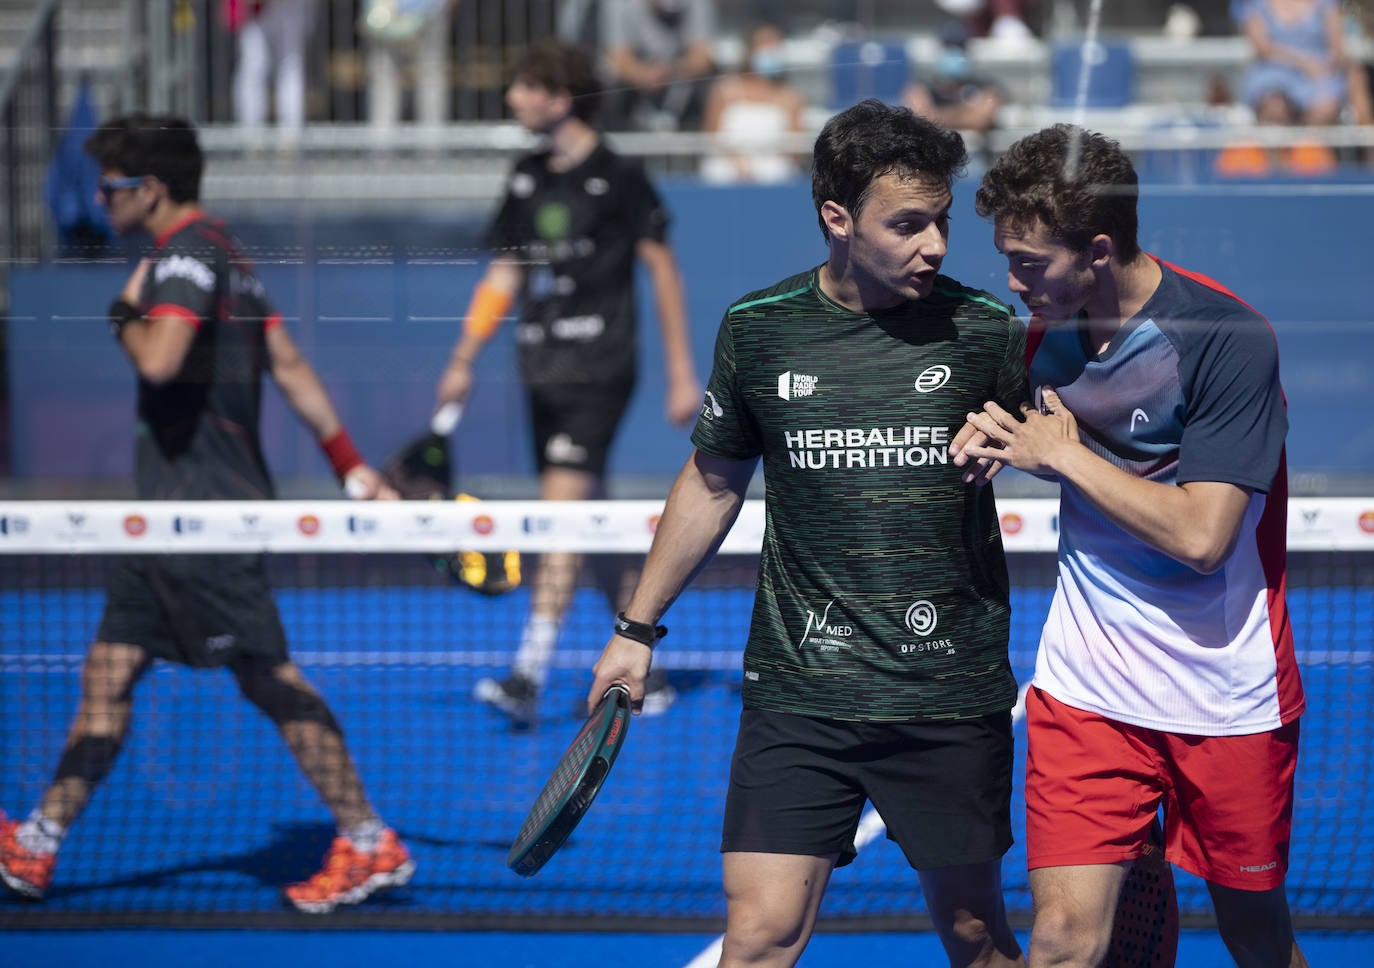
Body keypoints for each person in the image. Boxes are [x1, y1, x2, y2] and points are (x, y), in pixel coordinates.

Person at [588, 99, 1028, 968]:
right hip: (799, 695)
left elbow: (1077, 436)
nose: (934, 245)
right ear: (837, 216)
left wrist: (1025, 441)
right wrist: (635, 632)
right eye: (907, 224)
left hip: (946, 694)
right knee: (758, 938)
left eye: (940, 221)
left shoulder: (988, 332)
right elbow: (713, 482)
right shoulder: (758, 329)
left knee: (976, 934)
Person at [0, 115, 414, 914]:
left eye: (110, 185)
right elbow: (288, 367)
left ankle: (368, 841)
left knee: (267, 676)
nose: (98, 198)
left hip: (203, 515)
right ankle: (38, 843)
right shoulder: (227, 253)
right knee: (108, 674)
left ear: (148, 190)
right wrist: (351, 469)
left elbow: (160, 359)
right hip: (166, 517)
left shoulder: (185, 258)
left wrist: (123, 317)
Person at [956, 123, 1309, 968]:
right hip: (1088, 688)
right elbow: (1032, 442)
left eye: (1031, 262)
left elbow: (1202, 535)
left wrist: (1067, 457)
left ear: (1101, 250)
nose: (1013, 282)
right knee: (1064, 944)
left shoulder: (1225, 340)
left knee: (1255, 937)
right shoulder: (1042, 335)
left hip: (1226, 692)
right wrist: (985, 442)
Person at [435, 40, 701, 727]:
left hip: (599, 368)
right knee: (591, 519)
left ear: (559, 97)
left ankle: (529, 672)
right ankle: (652, 669)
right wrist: (465, 356)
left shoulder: (619, 175)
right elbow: (504, 274)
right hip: (540, 367)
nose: (513, 101)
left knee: (559, 512)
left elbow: (663, 272)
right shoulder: (526, 175)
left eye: (525, 88)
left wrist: (679, 372)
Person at [699, 22, 808, 184]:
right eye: (764, 44)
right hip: (726, 167)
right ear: (750, 50)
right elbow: (710, 134)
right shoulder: (725, 90)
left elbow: (796, 148)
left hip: (774, 172)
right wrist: (737, 163)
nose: (770, 50)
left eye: (774, 44)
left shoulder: (790, 96)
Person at [602, 0, 718, 131]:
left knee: (710, 88)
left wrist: (670, 71)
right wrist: (642, 75)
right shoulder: (619, 4)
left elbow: (702, 57)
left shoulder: (697, 4)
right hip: (635, 79)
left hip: (681, 79)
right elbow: (618, 57)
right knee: (612, 94)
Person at [1234, 0, 1349, 126]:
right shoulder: (1257, 4)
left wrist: (1323, 67)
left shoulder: (1326, 4)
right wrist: (1303, 63)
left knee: (1325, 107)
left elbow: (1337, 50)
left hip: (1317, 73)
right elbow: (1262, 48)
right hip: (1273, 71)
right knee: (1274, 108)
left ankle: (1305, 143)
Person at [226, 0, 317, 141]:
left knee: (290, 65)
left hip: (292, 6)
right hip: (256, 8)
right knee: (254, 65)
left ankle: (291, 136)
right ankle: (251, 134)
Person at [902, 22, 1004, 140]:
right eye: (948, 48)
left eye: (959, 48)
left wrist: (937, 115)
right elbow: (921, 118)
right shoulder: (921, 84)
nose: (954, 53)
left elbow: (980, 121)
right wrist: (966, 111)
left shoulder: (986, 85)